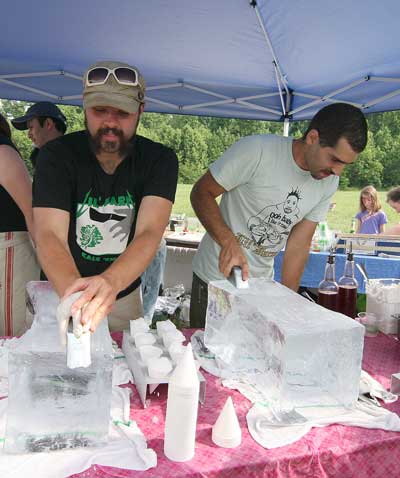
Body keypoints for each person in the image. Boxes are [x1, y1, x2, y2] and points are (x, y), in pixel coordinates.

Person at [190, 103, 368, 327]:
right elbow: (201, 193)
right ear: (312, 138)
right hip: (214, 281)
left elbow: (299, 244)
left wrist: (287, 302)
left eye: (345, 165)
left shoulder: (329, 182)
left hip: (260, 289)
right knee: (206, 357)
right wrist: (228, 242)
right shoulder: (257, 151)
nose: (338, 171)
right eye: (335, 159)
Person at [32, 60, 178, 332]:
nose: (110, 122)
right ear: (84, 107)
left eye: (122, 112)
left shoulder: (160, 160)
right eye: (100, 110)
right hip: (60, 289)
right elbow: (49, 235)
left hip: (122, 294)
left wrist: (109, 284)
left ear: (140, 111)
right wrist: (78, 298)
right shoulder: (55, 156)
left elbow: (149, 232)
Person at [0, 113, 39, 335]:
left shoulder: (3, 153)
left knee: (11, 334)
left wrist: (49, 262)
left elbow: (31, 210)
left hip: (10, 251)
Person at [11, 101, 67, 167]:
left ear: (48, 124)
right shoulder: (72, 154)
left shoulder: (63, 159)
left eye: (31, 127)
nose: (29, 135)